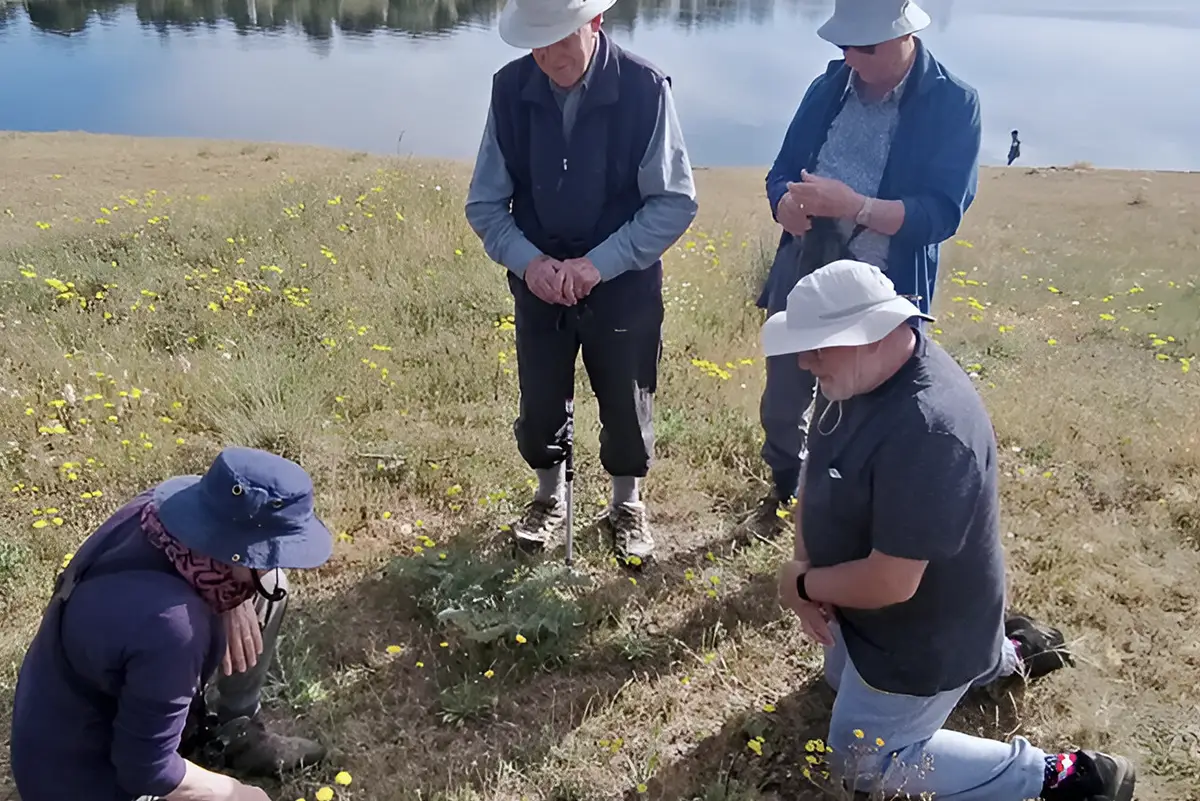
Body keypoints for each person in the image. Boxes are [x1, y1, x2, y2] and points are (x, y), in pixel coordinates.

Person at [766, 259, 1136, 801]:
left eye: (817, 346)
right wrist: (803, 564)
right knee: (838, 682)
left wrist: (798, 586)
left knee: (860, 764)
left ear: (875, 333)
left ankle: (1067, 777)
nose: (804, 361)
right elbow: (816, 470)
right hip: (870, 612)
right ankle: (1008, 654)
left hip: (921, 631)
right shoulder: (851, 374)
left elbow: (891, 582)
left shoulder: (928, 428)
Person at [739, 0, 982, 541]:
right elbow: (781, 172)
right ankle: (786, 490)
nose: (850, 58)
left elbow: (940, 214)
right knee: (783, 400)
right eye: (843, 46)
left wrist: (852, 206)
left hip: (882, 292)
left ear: (905, 37)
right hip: (805, 269)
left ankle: (849, 515)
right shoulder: (829, 86)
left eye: (864, 47)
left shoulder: (953, 103)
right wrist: (785, 204)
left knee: (864, 413)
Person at [464, 0, 698, 562]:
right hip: (538, 281)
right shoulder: (510, 89)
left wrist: (598, 265)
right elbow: (486, 203)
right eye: (534, 42)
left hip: (621, 282)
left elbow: (673, 201)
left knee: (625, 395)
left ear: (594, 23)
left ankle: (626, 505)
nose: (545, 56)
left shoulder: (644, 89)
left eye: (557, 39)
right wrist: (530, 263)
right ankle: (549, 498)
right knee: (540, 396)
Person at [9, 447, 334, 801]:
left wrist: (232, 598)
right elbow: (146, 770)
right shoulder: (174, 628)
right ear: (233, 550)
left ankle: (236, 732)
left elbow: (229, 568)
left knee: (268, 590)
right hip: (79, 780)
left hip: (66, 716)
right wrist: (236, 793)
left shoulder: (163, 514)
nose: (280, 562)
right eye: (272, 550)